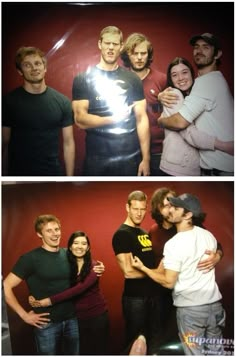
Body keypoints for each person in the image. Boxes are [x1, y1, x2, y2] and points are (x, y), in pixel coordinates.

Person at [132, 193, 226, 355]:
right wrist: (217, 255)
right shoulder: (208, 235)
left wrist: (144, 269)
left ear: (188, 215)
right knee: (217, 353)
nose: (170, 210)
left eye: (176, 208)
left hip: (192, 312)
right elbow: (217, 250)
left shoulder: (174, 244)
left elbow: (169, 282)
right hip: (215, 307)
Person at [3, 215, 104, 355]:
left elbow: (85, 263)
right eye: (49, 230)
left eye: (57, 229)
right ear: (39, 234)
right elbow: (6, 286)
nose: (55, 234)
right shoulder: (30, 259)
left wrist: (98, 266)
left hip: (73, 320)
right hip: (47, 324)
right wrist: (24, 315)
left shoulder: (68, 254)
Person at [72, 26, 150, 176]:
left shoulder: (133, 79)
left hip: (129, 157)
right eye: (107, 43)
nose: (110, 48)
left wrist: (145, 158)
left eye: (115, 44)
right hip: (97, 157)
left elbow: (141, 119)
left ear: (121, 47)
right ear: (100, 44)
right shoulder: (82, 79)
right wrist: (114, 119)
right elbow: (80, 119)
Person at [158, 33, 234, 176]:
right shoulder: (207, 83)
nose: (199, 50)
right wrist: (160, 96)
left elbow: (180, 123)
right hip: (184, 167)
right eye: (196, 47)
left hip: (220, 169)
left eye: (206, 47)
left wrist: (160, 121)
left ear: (217, 54)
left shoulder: (207, 82)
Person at [29, 230, 110, 355]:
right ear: (70, 247)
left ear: (88, 247)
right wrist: (34, 294)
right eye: (76, 243)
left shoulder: (94, 266)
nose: (80, 247)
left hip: (96, 316)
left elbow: (77, 290)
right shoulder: (65, 265)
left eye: (83, 244)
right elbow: (49, 281)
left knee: (99, 351)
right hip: (76, 318)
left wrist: (49, 301)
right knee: (82, 352)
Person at [2, 46, 75, 176]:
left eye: (37, 63)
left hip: (52, 174)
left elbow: (68, 143)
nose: (34, 68)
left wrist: (70, 178)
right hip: (19, 174)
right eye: (27, 65)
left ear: (44, 68)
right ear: (20, 71)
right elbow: (3, 144)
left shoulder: (63, 102)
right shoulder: (8, 102)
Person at [112, 190, 161, 355]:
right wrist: (158, 274)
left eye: (142, 209)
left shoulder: (144, 233)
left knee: (153, 339)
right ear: (127, 207)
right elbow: (128, 272)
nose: (139, 213)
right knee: (135, 343)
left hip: (153, 296)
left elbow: (147, 264)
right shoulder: (122, 234)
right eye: (135, 209)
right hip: (135, 299)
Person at [121, 32, 166, 176]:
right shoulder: (121, 80)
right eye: (135, 53)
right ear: (128, 55)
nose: (139, 58)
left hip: (159, 151)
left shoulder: (162, 79)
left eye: (143, 53)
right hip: (128, 150)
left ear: (148, 54)